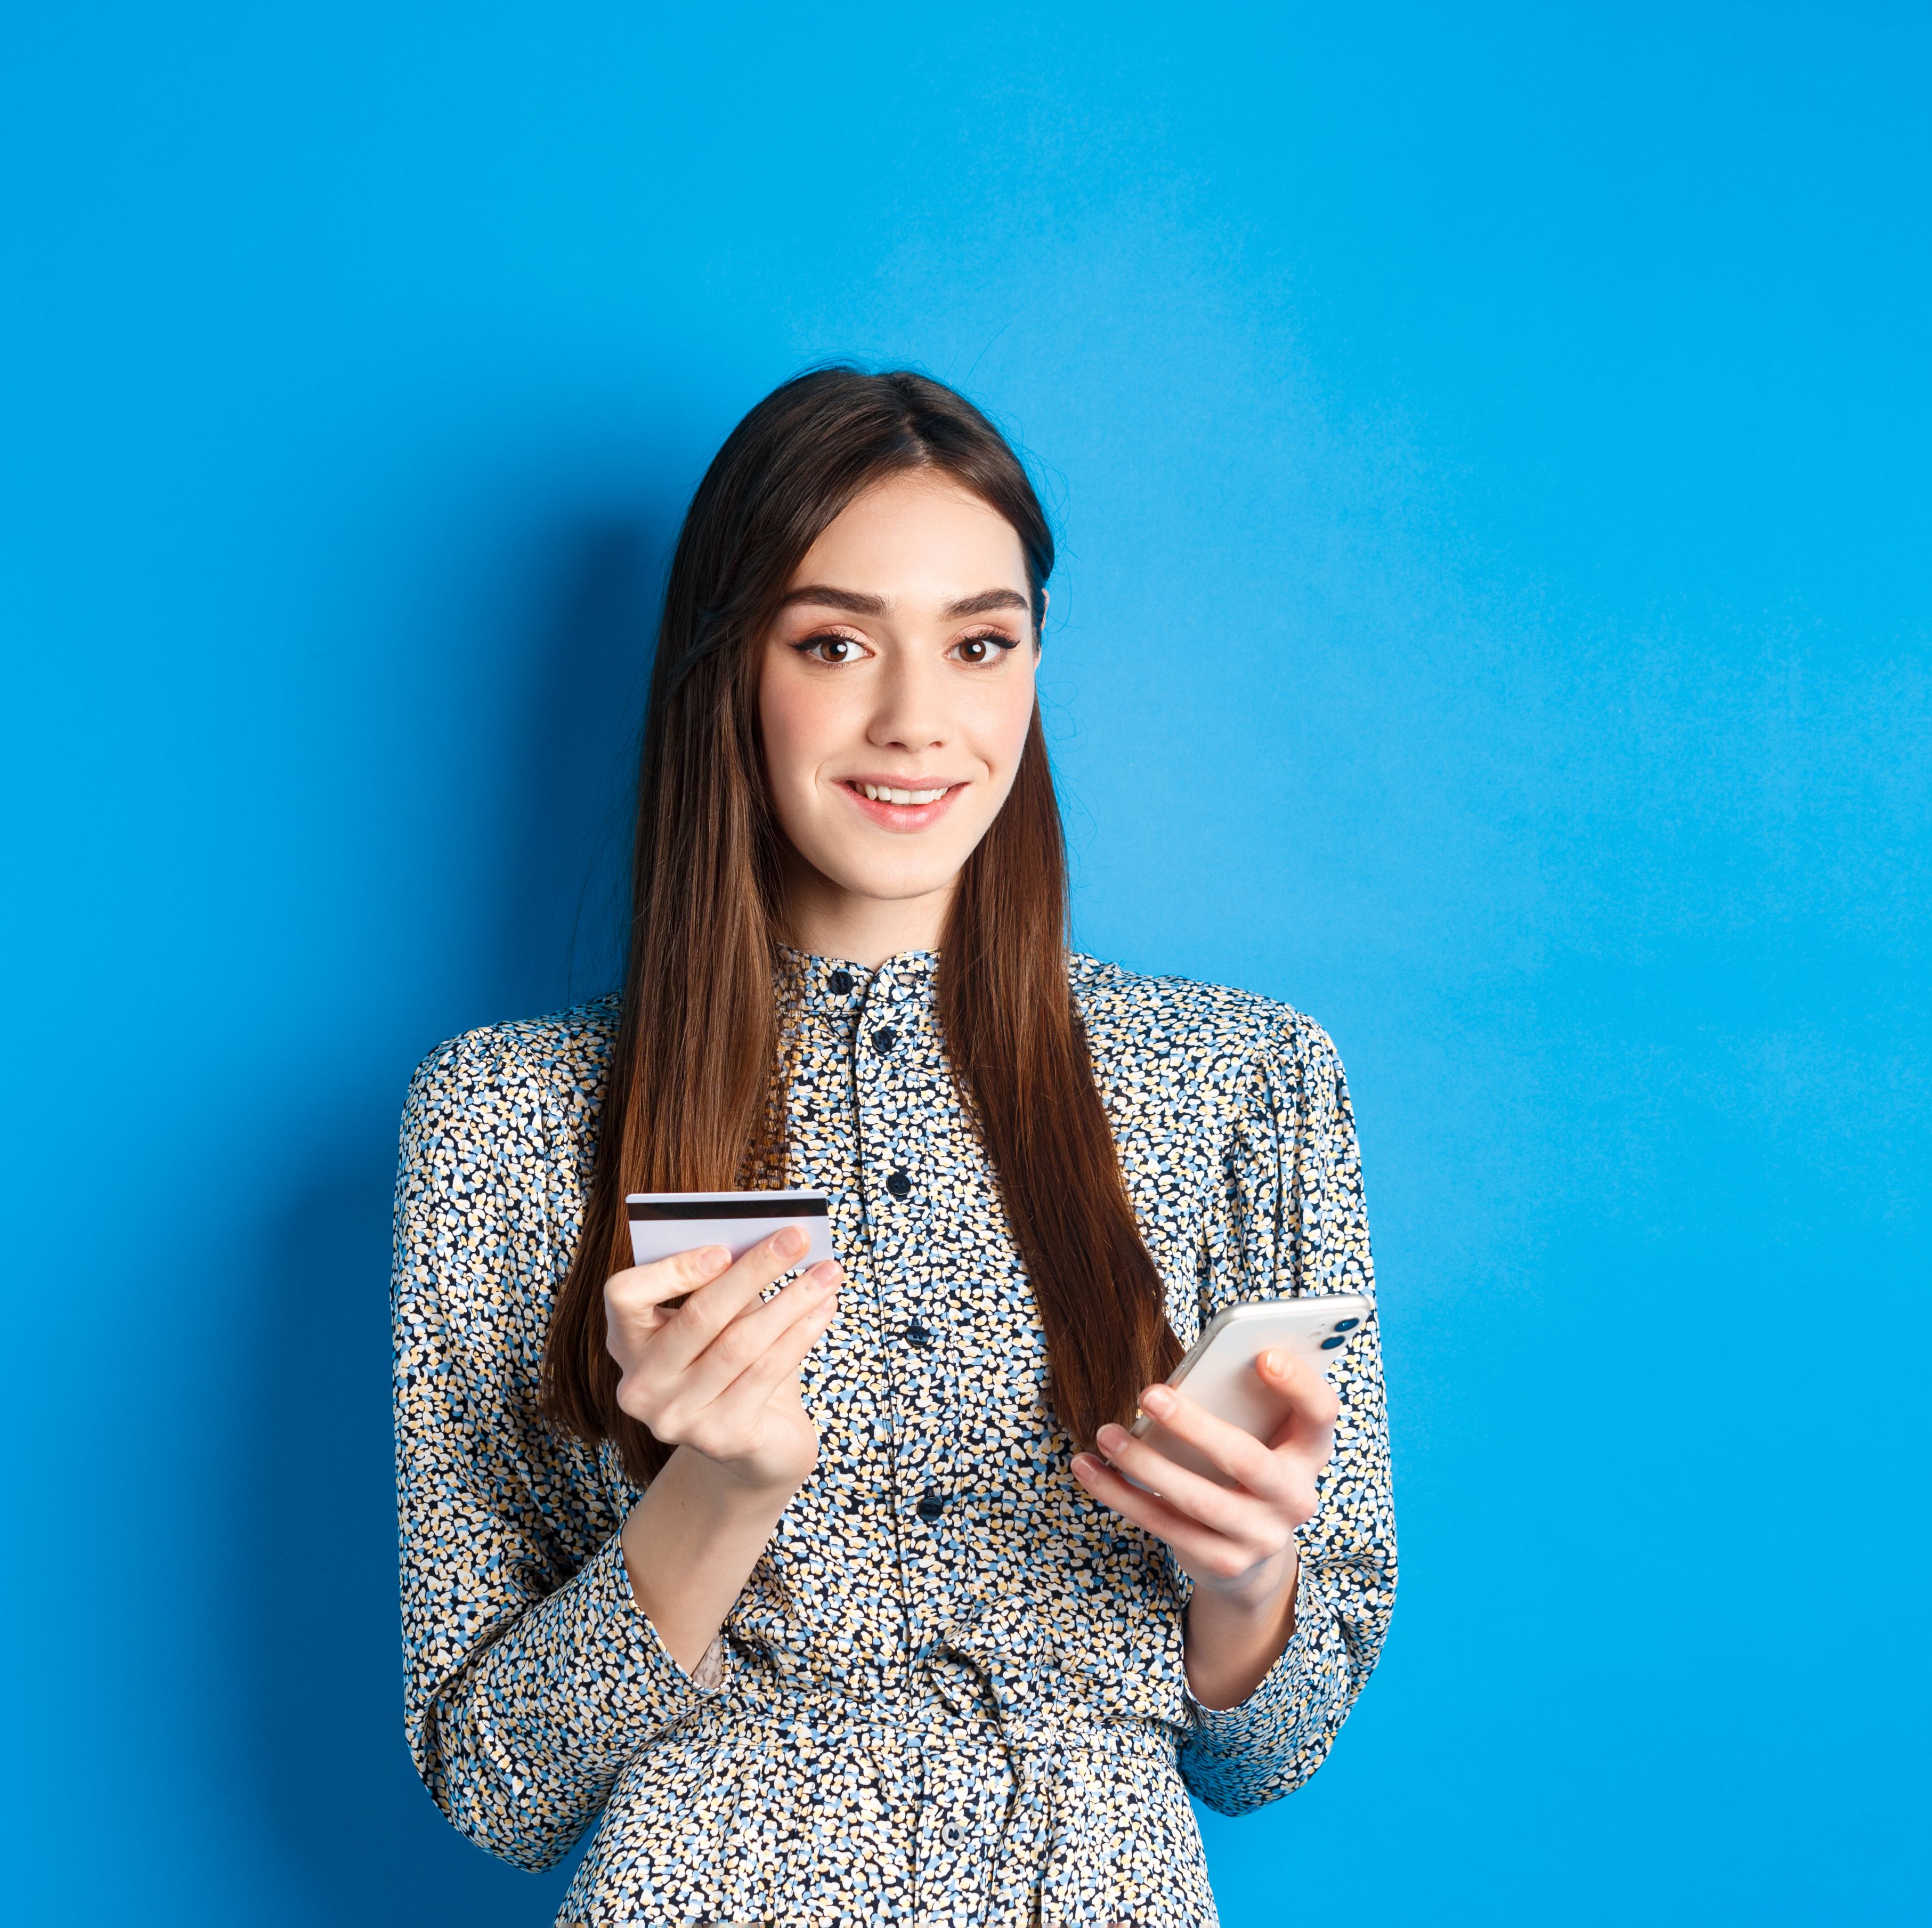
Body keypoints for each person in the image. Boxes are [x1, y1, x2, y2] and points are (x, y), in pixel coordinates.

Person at [388, 366, 1397, 1926]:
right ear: (730, 668)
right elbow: (497, 1785)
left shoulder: (1246, 1085)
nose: (917, 719)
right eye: (835, 642)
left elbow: (1269, 1753)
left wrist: (1248, 1573)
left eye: (980, 643)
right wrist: (718, 1491)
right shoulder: (506, 1116)